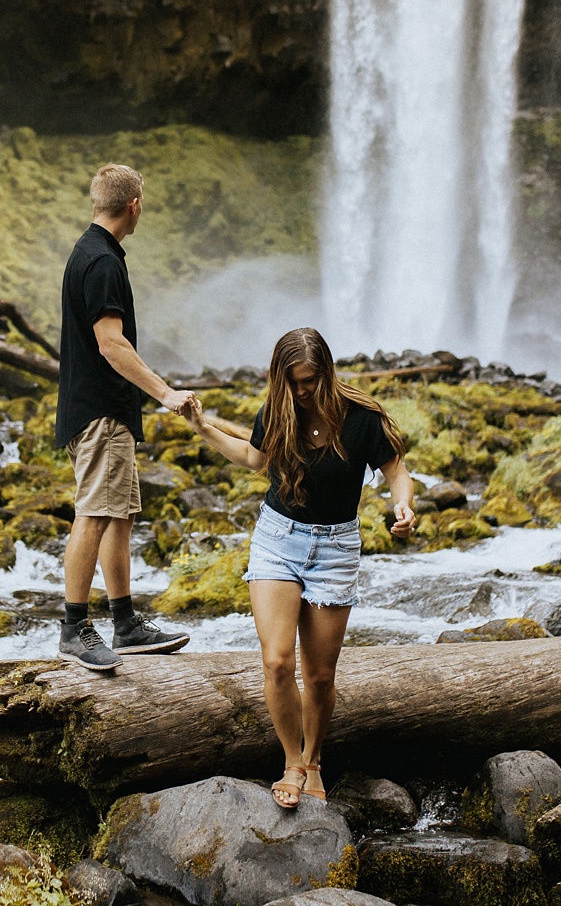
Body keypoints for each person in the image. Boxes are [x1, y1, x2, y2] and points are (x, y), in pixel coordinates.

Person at [179, 328, 416, 807]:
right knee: (276, 661)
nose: (303, 390)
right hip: (277, 540)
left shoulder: (362, 418)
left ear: (326, 371)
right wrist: (203, 428)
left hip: (335, 548)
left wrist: (403, 507)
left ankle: (314, 760)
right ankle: (291, 760)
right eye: (294, 381)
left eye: (310, 379)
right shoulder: (278, 411)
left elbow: (396, 472)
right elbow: (254, 458)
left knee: (320, 676)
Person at [54, 163, 194, 672]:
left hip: (99, 410)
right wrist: (165, 393)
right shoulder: (104, 263)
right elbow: (110, 344)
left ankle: (126, 622)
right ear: (133, 205)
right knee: (93, 513)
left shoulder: (89, 252)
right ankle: (74, 628)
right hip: (100, 412)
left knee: (119, 513)